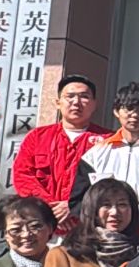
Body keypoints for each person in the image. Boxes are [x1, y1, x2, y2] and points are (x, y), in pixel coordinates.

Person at [11, 74, 108, 234]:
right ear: (58, 103)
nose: (76, 102)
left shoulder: (108, 141)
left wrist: (74, 206)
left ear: (94, 104)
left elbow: (108, 183)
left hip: (88, 228)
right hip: (42, 225)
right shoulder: (37, 137)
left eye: (84, 97)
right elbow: (23, 175)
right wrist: (50, 207)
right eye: (70, 96)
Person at [71, 82, 139, 238]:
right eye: (129, 108)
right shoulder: (96, 153)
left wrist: (135, 213)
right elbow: (78, 201)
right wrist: (104, 218)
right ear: (116, 111)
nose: (135, 115)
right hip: (102, 240)